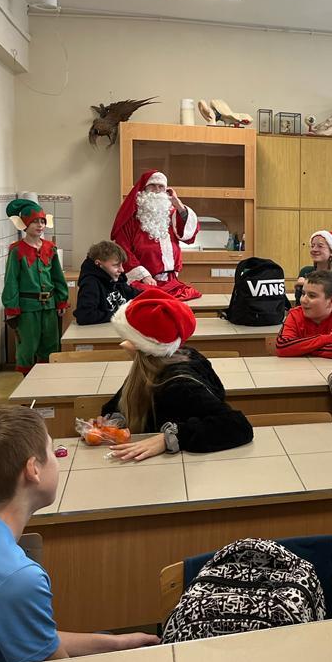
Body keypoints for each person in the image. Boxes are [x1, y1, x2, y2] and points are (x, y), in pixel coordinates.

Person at [0, 405, 159, 662]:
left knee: (106, 639)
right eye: (52, 451)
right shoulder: (19, 579)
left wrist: (117, 643)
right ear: (33, 470)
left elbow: (32, 637)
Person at [101, 289, 253, 459]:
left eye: (127, 338)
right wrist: (112, 421)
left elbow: (237, 425)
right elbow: (120, 403)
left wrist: (170, 438)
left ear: (139, 346)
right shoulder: (149, 368)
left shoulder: (180, 385)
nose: (122, 343)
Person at [110, 170, 201, 301]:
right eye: (152, 186)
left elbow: (189, 235)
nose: (157, 190)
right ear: (144, 189)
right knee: (154, 301)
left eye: (161, 187)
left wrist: (178, 204)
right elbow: (122, 250)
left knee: (186, 298)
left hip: (171, 282)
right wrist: (143, 275)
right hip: (142, 282)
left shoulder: (170, 214)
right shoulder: (131, 219)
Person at [1, 198, 69, 374]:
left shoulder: (50, 248)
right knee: (28, 346)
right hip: (27, 308)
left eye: (42, 221)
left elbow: (57, 276)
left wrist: (61, 299)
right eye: (34, 222)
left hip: (49, 306)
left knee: (51, 344)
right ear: (25, 224)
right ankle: (27, 383)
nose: (40, 225)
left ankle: (46, 381)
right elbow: (11, 280)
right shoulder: (17, 250)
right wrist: (11, 307)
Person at [276, 271, 332, 360]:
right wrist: (324, 340)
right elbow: (282, 347)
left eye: (312, 296)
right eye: (303, 294)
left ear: (331, 301)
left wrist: (301, 349)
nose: (303, 300)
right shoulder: (295, 314)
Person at [74, 240, 140, 325]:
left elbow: (136, 294)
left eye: (121, 265)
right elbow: (85, 315)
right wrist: (121, 315)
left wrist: (154, 295)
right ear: (98, 264)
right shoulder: (91, 283)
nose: (122, 270)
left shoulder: (117, 280)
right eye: (116, 265)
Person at [294, 230, 332, 307]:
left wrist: (308, 285)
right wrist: (299, 288)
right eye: (312, 246)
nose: (314, 249)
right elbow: (299, 304)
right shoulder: (305, 271)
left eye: (320, 246)